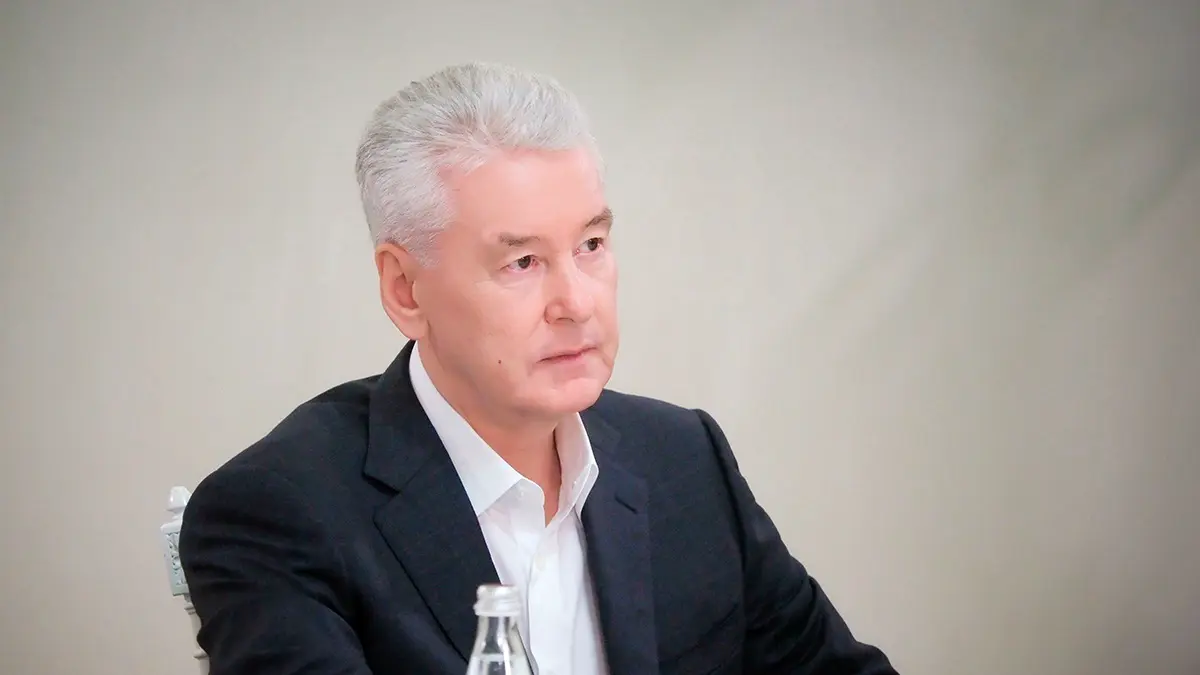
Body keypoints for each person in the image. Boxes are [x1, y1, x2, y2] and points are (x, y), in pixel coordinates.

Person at [178, 62, 898, 675]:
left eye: (591, 246)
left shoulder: (685, 460)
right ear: (406, 290)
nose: (577, 303)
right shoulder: (280, 511)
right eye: (522, 262)